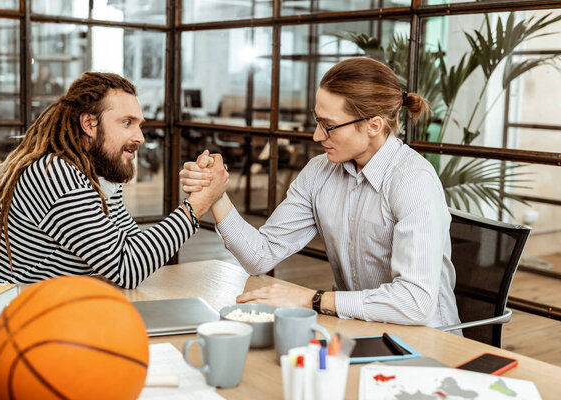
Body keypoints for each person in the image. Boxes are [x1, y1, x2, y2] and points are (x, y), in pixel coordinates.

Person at [180, 58, 461, 328]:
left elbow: (415, 302)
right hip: (359, 330)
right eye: (317, 121)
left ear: (374, 126)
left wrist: (313, 300)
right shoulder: (320, 172)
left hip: (429, 342)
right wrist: (216, 193)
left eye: (329, 126)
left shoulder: (412, 181)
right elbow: (260, 255)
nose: (316, 135)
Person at [0, 72, 228, 288]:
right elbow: (127, 267)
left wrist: (198, 196)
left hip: (56, 309)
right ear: (89, 124)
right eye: (127, 123)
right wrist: (197, 204)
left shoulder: (97, 176)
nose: (140, 137)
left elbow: (133, 249)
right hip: (8, 320)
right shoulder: (55, 175)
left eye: (139, 124)